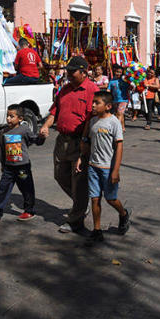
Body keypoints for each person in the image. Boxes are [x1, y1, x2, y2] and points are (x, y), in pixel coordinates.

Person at [39, 56, 98, 235]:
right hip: (62, 140)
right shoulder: (64, 90)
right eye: (68, 72)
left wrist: (85, 143)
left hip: (80, 141)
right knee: (60, 176)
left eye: (73, 72)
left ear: (84, 72)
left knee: (78, 181)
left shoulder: (92, 90)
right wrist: (45, 126)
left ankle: (75, 220)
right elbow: (54, 112)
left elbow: (91, 120)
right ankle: (81, 204)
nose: (69, 75)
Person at [77, 91, 131, 246]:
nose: (93, 105)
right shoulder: (93, 121)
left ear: (107, 106)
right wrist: (81, 158)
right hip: (93, 166)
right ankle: (97, 230)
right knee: (94, 198)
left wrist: (115, 170)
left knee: (111, 198)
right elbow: (87, 142)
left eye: (97, 102)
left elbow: (119, 146)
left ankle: (123, 213)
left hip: (108, 168)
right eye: (93, 102)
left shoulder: (113, 122)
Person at [0, 105, 46, 222]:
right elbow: (3, 150)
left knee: (27, 188)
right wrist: (3, 165)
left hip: (22, 167)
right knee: (3, 189)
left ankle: (29, 211)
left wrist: (41, 137)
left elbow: (35, 140)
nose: (8, 119)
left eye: (11, 116)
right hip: (8, 168)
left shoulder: (24, 130)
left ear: (20, 118)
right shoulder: (4, 132)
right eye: (7, 116)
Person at [108, 65, 130, 130]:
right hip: (115, 100)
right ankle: (123, 127)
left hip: (123, 99)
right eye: (117, 72)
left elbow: (130, 87)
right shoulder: (112, 80)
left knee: (119, 113)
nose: (118, 73)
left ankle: (117, 129)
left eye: (120, 72)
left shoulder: (125, 80)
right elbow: (109, 89)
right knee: (120, 114)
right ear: (115, 72)